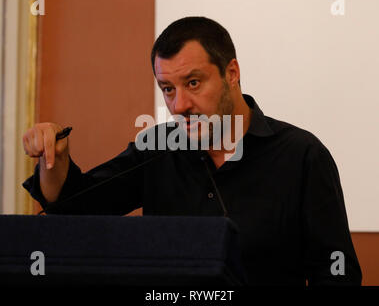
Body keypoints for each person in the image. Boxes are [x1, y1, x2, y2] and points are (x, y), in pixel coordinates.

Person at [22, 16, 362, 285]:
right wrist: (55, 158)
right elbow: (74, 208)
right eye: (168, 89)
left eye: (193, 83)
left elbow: (336, 273)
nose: (179, 105)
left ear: (231, 73)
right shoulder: (155, 149)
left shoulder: (302, 155)